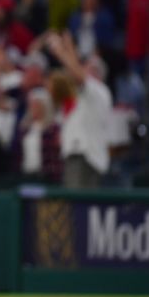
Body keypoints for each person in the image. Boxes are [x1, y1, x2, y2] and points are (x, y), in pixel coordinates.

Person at [45, 32, 113, 188]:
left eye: (86, 68)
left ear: (96, 73)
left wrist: (62, 52)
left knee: (78, 207)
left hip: (85, 157)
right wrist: (69, 48)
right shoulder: (82, 97)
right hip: (76, 156)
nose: (80, 70)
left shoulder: (99, 90)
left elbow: (77, 75)